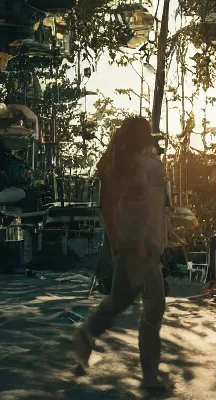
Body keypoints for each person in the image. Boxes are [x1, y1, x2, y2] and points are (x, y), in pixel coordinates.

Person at [71, 117, 172, 391]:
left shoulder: (145, 165)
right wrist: (122, 243)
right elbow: (109, 207)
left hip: (146, 246)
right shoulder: (128, 168)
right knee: (152, 307)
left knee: (121, 302)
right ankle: (149, 375)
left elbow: (154, 208)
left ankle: (87, 335)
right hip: (136, 248)